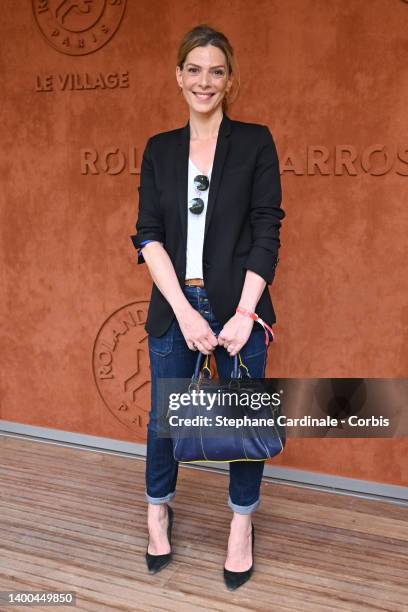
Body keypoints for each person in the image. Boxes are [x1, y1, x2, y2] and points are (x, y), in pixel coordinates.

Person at [130, 23, 285, 590]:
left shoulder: (255, 142)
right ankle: (156, 510)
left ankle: (240, 526)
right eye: (194, 69)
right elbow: (148, 237)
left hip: (242, 302)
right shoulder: (158, 149)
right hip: (177, 304)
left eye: (216, 70)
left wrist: (244, 314)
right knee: (164, 421)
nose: (204, 81)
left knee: (245, 418)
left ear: (229, 79)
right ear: (178, 76)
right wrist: (188, 312)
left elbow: (267, 230)